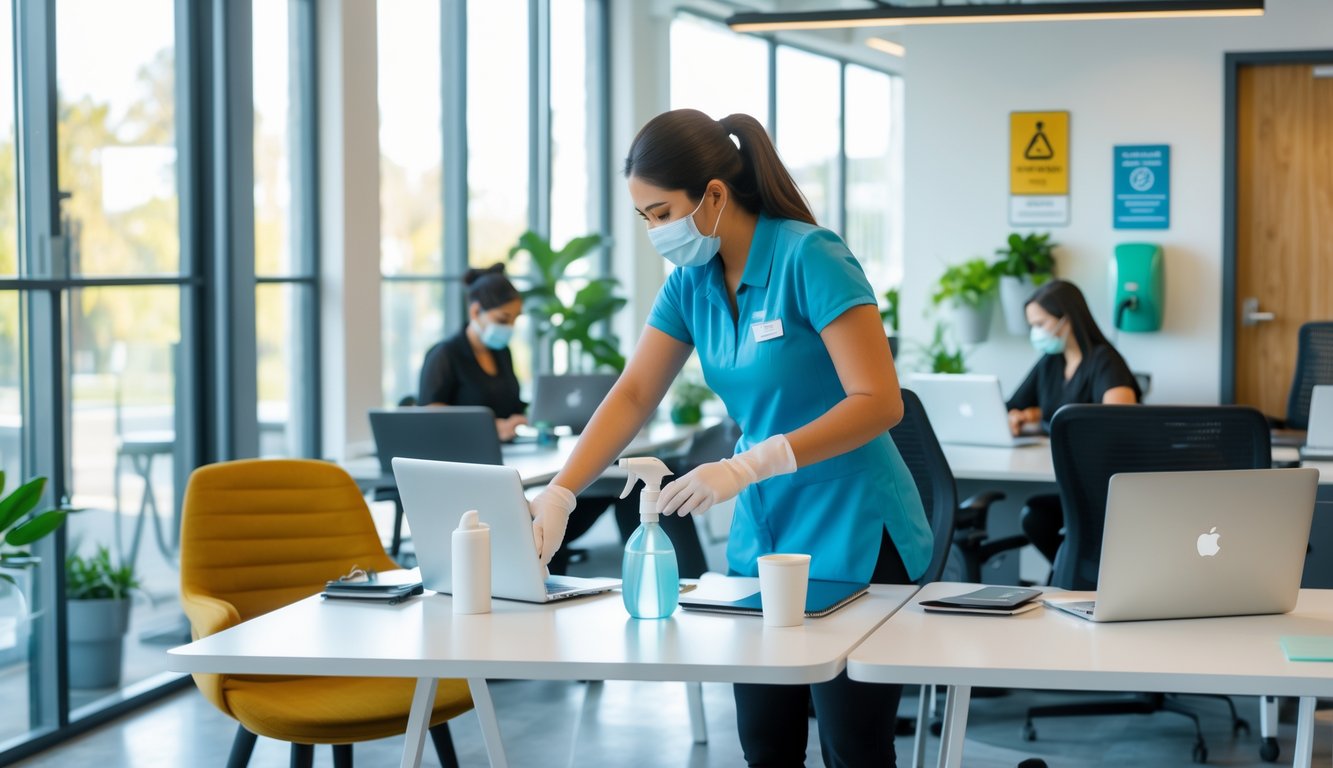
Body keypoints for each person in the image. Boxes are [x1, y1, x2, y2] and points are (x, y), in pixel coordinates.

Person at [526, 108, 932, 767]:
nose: (656, 231)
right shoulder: (691, 283)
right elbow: (633, 393)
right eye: (645, 218)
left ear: (712, 196)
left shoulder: (810, 256)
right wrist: (562, 491)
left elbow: (878, 401)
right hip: (766, 528)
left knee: (852, 744)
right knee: (765, 741)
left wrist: (748, 465)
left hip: (856, 525)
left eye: (661, 213)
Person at [417, 265, 615, 574]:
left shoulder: (502, 354)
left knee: (604, 489)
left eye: (514, 320)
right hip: (469, 465)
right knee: (540, 510)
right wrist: (491, 426)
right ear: (476, 311)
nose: (509, 327)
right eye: (502, 319)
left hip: (511, 456)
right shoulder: (445, 355)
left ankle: (550, 550)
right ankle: (544, 553)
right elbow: (430, 414)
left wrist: (524, 416)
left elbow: (511, 405)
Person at [1005, 278, 1141, 566]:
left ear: (1066, 319)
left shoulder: (1105, 361)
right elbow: (1010, 406)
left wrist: (1039, 419)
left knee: (1039, 517)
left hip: (1102, 481)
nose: (1036, 333)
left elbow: (1119, 421)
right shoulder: (1050, 363)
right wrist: (1020, 417)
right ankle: (1075, 571)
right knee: (1035, 517)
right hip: (1065, 472)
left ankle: (1080, 572)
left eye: (1040, 324)